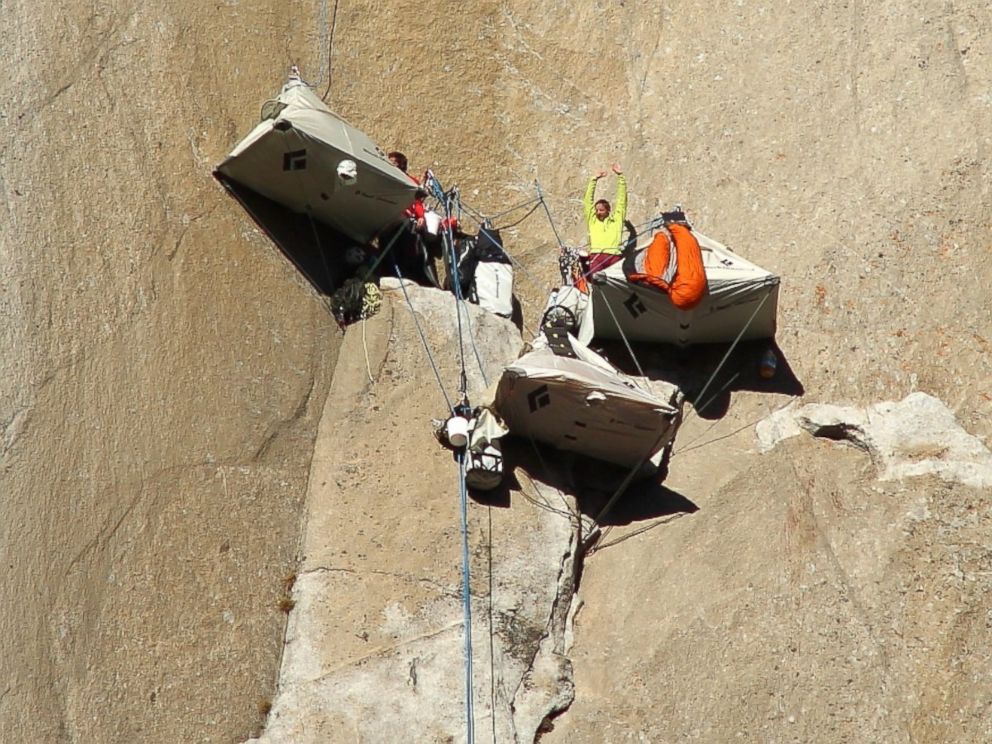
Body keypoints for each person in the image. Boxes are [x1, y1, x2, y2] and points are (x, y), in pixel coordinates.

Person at [581, 162, 627, 275]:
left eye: (601, 210)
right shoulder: (593, 221)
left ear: (608, 210)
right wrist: (594, 180)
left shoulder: (616, 220)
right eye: (596, 210)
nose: (598, 212)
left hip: (614, 256)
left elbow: (622, 201)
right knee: (595, 278)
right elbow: (588, 201)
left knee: (618, 282)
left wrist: (620, 177)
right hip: (596, 256)